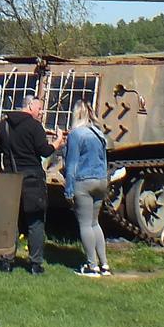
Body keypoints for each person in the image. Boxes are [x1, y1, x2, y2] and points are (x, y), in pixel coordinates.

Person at [0, 94, 63, 274]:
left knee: (10, 221)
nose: (40, 112)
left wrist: (1, 170)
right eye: (39, 108)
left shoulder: (3, 125)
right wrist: (57, 142)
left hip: (10, 180)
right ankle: (35, 264)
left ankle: (6, 261)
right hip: (32, 180)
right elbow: (44, 151)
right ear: (30, 105)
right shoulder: (34, 126)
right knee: (35, 221)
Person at [64, 100, 110, 277]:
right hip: (100, 181)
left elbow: (72, 164)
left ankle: (92, 266)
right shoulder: (99, 134)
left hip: (83, 182)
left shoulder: (76, 134)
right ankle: (104, 264)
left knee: (84, 225)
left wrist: (68, 190)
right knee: (95, 223)